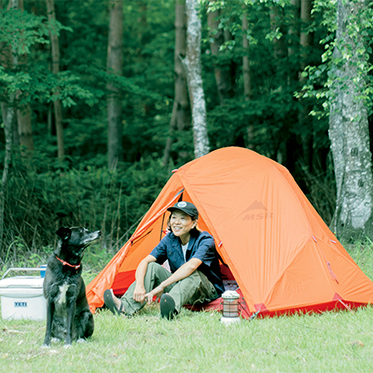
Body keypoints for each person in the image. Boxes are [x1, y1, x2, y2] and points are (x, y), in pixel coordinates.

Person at [104, 201, 224, 319]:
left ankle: (170, 309)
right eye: (173, 217)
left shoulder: (205, 240)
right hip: (180, 288)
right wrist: (139, 285)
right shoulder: (169, 239)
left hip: (206, 292)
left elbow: (191, 266)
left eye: (183, 218)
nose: (176, 222)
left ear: (193, 223)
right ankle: (125, 307)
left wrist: (161, 286)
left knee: (194, 273)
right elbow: (144, 261)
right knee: (152, 266)